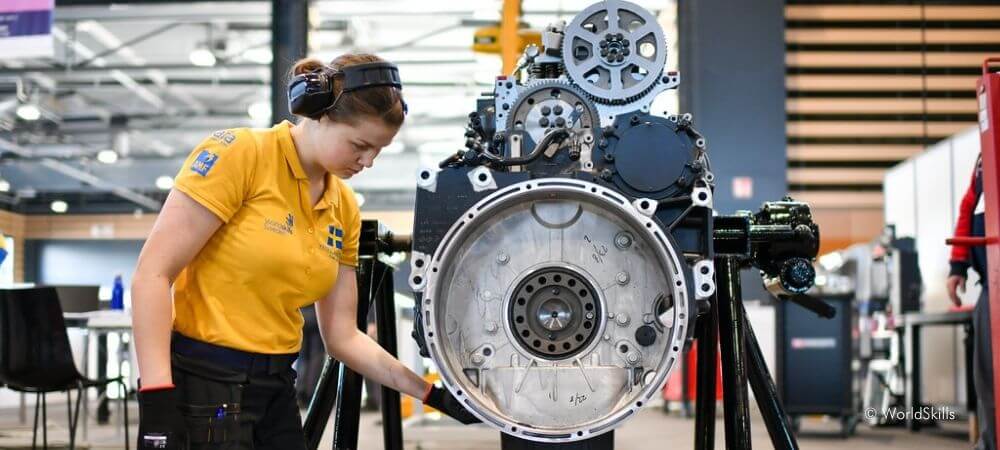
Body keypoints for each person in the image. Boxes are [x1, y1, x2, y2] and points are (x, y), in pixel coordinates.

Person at [131, 53, 478, 450]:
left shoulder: (342, 206)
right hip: (205, 385)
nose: (367, 161)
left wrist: (432, 394)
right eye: (360, 145)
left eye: (378, 151)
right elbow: (152, 275)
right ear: (320, 115)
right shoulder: (240, 155)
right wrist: (156, 399)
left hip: (276, 386)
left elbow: (343, 337)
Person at [948, 155, 993, 450]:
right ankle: (990, 443)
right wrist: (958, 266)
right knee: (986, 374)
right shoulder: (984, 154)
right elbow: (969, 206)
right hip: (991, 285)